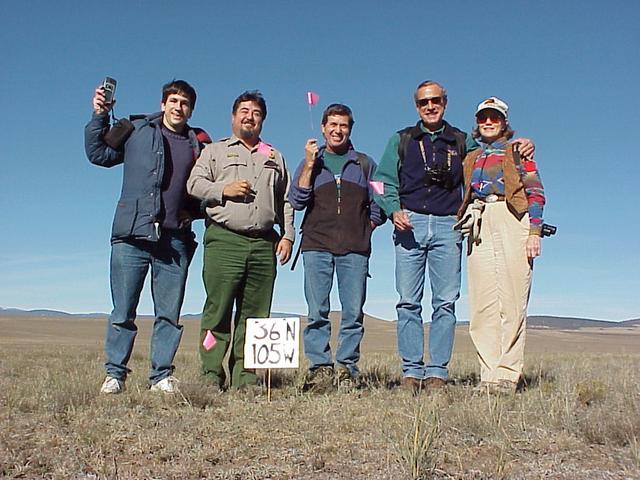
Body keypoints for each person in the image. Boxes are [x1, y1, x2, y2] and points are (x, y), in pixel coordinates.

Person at [372, 80, 533, 393]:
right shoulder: (402, 139)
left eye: (435, 101)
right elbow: (380, 183)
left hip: (449, 225)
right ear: (416, 106)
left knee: (445, 302)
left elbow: (492, 153)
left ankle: (437, 373)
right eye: (423, 102)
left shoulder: (461, 140)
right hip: (410, 223)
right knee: (408, 302)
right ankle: (411, 372)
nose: (430, 106)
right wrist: (393, 210)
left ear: (444, 103)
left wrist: (521, 146)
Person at [85, 79, 211, 394]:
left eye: (184, 103)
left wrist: (193, 213)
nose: (178, 107)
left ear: (191, 109)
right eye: (173, 100)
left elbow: (207, 190)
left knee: (169, 314)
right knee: (123, 310)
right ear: (163, 102)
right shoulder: (135, 129)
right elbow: (99, 154)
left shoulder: (199, 143)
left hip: (174, 240)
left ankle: (161, 376)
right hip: (131, 235)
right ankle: (115, 375)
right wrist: (99, 115)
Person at [186, 90, 294, 391]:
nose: (250, 116)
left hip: (264, 245)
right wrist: (224, 189)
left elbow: (286, 200)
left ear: (263, 120)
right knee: (217, 310)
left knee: (256, 315)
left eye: (256, 113)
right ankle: (210, 373)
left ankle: (246, 377)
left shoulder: (274, 155)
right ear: (233, 117)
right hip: (224, 240)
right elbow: (194, 184)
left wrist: (287, 235)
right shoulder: (215, 151)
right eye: (244, 111)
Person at [288, 104, 385, 392]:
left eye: (343, 125)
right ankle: (319, 369)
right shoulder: (310, 162)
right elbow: (296, 200)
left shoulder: (365, 164)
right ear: (322, 127)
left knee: (353, 311)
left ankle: (347, 369)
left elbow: (379, 198)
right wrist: (308, 164)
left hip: (355, 248)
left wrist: (369, 225)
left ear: (350, 129)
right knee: (318, 309)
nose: (337, 130)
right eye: (332, 124)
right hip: (316, 245)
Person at [456, 97, 545, 393]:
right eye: (483, 118)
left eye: (495, 118)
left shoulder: (518, 151)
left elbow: (535, 189)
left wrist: (535, 231)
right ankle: (489, 373)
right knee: (482, 303)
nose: (489, 122)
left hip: (512, 217)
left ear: (504, 122)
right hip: (479, 219)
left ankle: (508, 373)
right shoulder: (472, 157)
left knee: (512, 296)